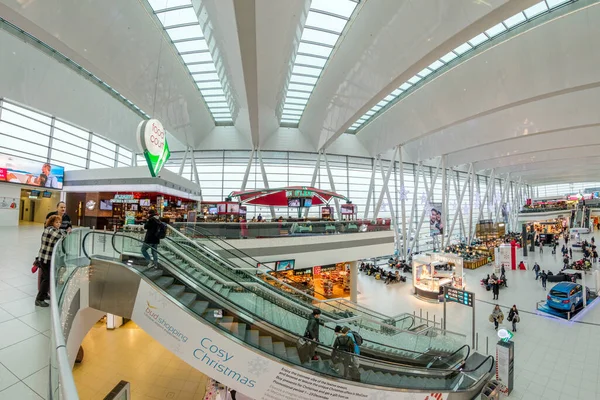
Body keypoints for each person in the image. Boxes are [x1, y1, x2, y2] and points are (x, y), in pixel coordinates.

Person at [35, 215, 66, 307]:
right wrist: (67, 232)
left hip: (45, 257)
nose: (59, 224)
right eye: (56, 222)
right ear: (52, 222)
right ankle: (39, 299)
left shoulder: (51, 229)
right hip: (45, 258)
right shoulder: (50, 230)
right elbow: (60, 235)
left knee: (46, 277)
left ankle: (44, 295)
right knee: (47, 278)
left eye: (59, 222)